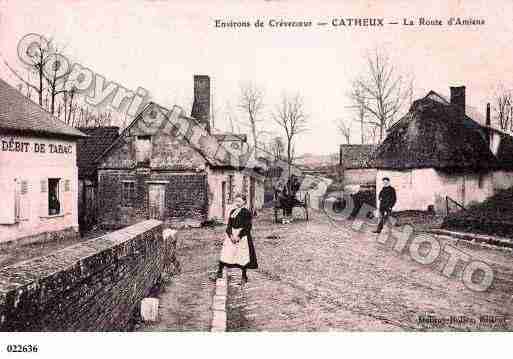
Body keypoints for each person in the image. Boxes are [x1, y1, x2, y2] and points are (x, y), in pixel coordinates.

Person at [215, 193, 258, 284]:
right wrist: (230, 235)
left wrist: (239, 236)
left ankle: (244, 276)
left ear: (244, 202)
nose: (237, 203)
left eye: (239, 201)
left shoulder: (246, 212)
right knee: (225, 253)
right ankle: (219, 272)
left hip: (241, 236)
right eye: (236, 201)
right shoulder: (232, 211)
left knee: (242, 256)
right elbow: (229, 224)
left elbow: (247, 226)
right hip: (231, 236)